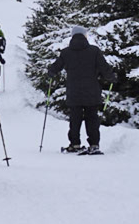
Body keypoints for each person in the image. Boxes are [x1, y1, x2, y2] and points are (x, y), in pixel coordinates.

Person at [47, 26, 116, 154]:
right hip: (92, 91)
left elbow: (56, 66)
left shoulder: (66, 52)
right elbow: (104, 67)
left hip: (74, 92)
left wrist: (51, 73)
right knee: (92, 119)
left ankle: (75, 144)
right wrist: (111, 77)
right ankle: (94, 144)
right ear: (85, 36)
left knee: (75, 119)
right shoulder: (94, 51)